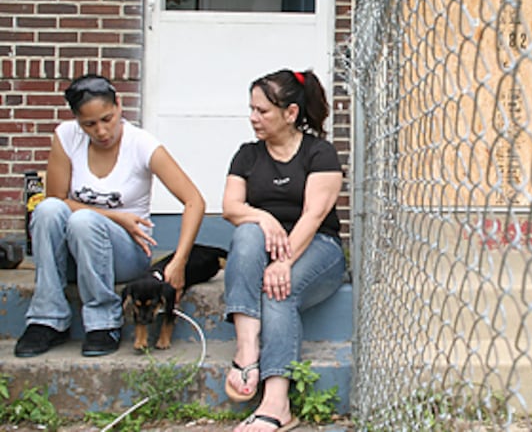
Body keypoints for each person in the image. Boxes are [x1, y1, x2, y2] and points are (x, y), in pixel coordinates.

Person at [14, 74, 205, 358]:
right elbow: (57, 202)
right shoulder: (66, 137)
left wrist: (179, 262)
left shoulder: (141, 144)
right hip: (75, 254)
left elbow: (194, 201)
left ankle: (103, 323)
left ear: (118, 105)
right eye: (89, 124)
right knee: (46, 209)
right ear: (77, 121)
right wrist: (117, 217)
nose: (101, 131)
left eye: (107, 119)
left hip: (126, 254)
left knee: (83, 220)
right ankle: (47, 319)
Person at [223, 69, 346, 432]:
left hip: (318, 247)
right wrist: (263, 218)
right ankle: (247, 350)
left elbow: (314, 215)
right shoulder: (247, 155)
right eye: (251, 109)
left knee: (279, 289)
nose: (253, 118)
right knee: (246, 233)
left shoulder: (319, 153)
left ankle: (277, 403)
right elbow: (231, 207)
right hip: (262, 247)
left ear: (291, 113)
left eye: (262, 111)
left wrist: (285, 260)